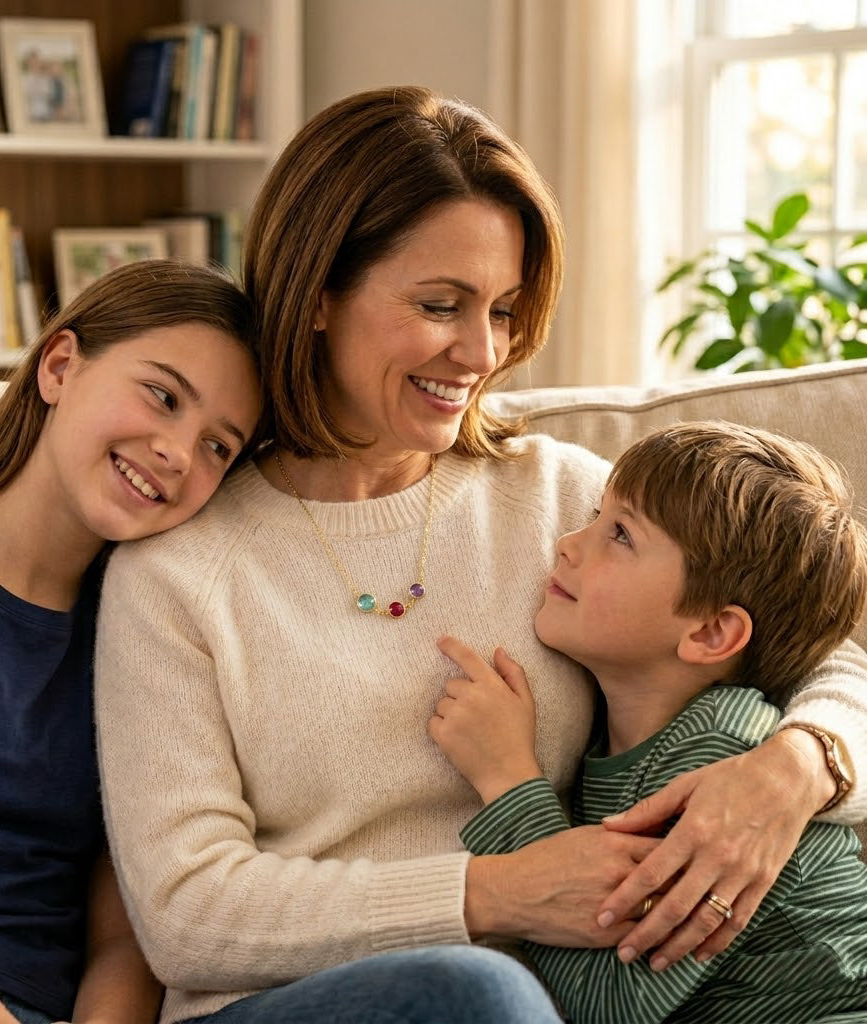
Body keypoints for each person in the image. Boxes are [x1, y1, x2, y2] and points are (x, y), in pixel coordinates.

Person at [93, 87, 867, 1024]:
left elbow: (815, 633)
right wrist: (492, 894)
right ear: (318, 295)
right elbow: (186, 914)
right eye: (439, 305)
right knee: (482, 990)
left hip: (570, 1000)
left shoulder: (570, 499)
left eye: (502, 310)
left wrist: (798, 766)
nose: (480, 352)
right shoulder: (177, 572)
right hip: (286, 1006)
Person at [0, 260, 263, 1024]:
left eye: (218, 447)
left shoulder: (148, 621)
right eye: (163, 396)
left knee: (454, 992)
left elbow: (123, 937)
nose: (177, 451)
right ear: (61, 365)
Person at [431, 421, 867, 1023]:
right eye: (594, 514)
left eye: (620, 535)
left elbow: (612, 1004)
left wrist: (508, 779)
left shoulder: (722, 748)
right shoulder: (617, 735)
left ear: (711, 632)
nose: (567, 543)